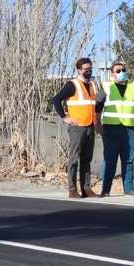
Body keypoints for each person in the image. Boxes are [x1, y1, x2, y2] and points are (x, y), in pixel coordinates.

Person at [50, 57, 102, 198]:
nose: (89, 71)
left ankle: (86, 189)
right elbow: (55, 100)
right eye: (86, 69)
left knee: (87, 159)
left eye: (90, 68)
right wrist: (65, 117)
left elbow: (95, 105)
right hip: (78, 127)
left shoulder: (92, 85)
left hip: (90, 125)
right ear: (79, 70)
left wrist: (97, 123)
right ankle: (72, 189)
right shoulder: (72, 84)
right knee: (74, 159)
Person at [97, 61, 134, 197]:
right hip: (110, 129)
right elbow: (97, 107)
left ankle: (129, 188)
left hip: (130, 129)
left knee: (128, 159)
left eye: (123, 70)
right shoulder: (106, 87)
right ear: (112, 74)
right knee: (110, 159)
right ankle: (105, 189)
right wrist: (98, 125)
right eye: (118, 71)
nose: (121, 73)